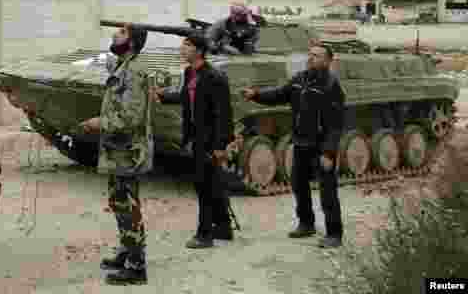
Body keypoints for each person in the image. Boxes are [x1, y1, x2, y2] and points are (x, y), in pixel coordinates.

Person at [241, 44, 345, 248]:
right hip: (300, 142)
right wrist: (255, 95)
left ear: (328, 61)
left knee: (328, 192)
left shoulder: (332, 86)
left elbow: (336, 124)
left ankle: (334, 234)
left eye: (316, 56)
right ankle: (306, 224)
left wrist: (329, 152)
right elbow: (280, 94)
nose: (311, 58)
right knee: (299, 186)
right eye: (310, 55)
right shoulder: (300, 79)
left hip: (320, 146)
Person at [78, 24, 152, 285]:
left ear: (130, 42)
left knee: (128, 206)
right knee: (119, 202)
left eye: (121, 32)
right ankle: (126, 251)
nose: (114, 35)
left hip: (127, 152)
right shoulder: (123, 66)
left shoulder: (133, 71)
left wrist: (100, 122)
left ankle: (136, 266)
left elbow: (130, 117)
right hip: (117, 151)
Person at [155, 32, 235, 248]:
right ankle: (224, 228)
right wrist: (163, 96)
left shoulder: (215, 77)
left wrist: (220, 146)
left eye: (187, 45)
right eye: (183, 44)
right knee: (211, 184)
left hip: (209, 140)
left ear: (199, 51)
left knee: (204, 186)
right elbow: (186, 96)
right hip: (195, 137)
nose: (183, 49)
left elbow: (224, 114)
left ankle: (204, 235)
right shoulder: (190, 72)